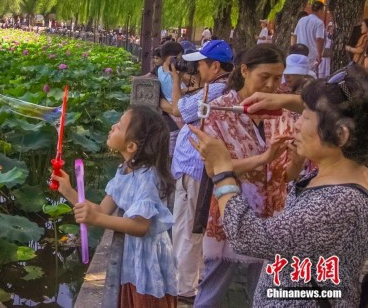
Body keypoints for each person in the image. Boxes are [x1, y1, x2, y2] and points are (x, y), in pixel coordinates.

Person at [190, 64, 368, 307]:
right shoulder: (349, 174)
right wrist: (283, 100)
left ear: (341, 135)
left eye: (305, 117)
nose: (295, 124)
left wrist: (223, 172)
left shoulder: (337, 202)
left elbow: (248, 237)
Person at [194, 44, 306, 307]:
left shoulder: (284, 112)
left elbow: (286, 175)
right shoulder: (220, 109)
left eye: (278, 78)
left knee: (265, 294)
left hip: (273, 216)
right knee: (212, 290)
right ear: (244, 70)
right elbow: (214, 169)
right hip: (229, 211)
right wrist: (263, 159)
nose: (271, 85)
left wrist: (299, 155)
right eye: (264, 76)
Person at [52, 105, 178, 307]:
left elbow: (140, 226)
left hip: (146, 260)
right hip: (133, 257)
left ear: (131, 146)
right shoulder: (125, 170)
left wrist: (97, 220)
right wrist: (67, 190)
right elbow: (102, 210)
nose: (112, 127)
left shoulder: (147, 177)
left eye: (119, 126)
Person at [168, 40, 234, 304]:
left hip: (195, 171)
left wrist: (175, 80)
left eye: (201, 64)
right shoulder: (218, 88)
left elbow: (177, 109)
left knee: (186, 231)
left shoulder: (215, 91)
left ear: (215, 66)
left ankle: (183, 290)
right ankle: (187, 284)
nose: (196, 69)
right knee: (190, 229)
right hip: (194, 170)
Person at [291, 0, 325, 73]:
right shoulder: (319, 23)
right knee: (309, 76)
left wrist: (293, 50)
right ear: (320, 10)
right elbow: (319, 39)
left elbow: (294, 36)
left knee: (299, 74)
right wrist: (319, 55)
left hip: (299, 52)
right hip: (311, 55)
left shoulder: (302, 20)